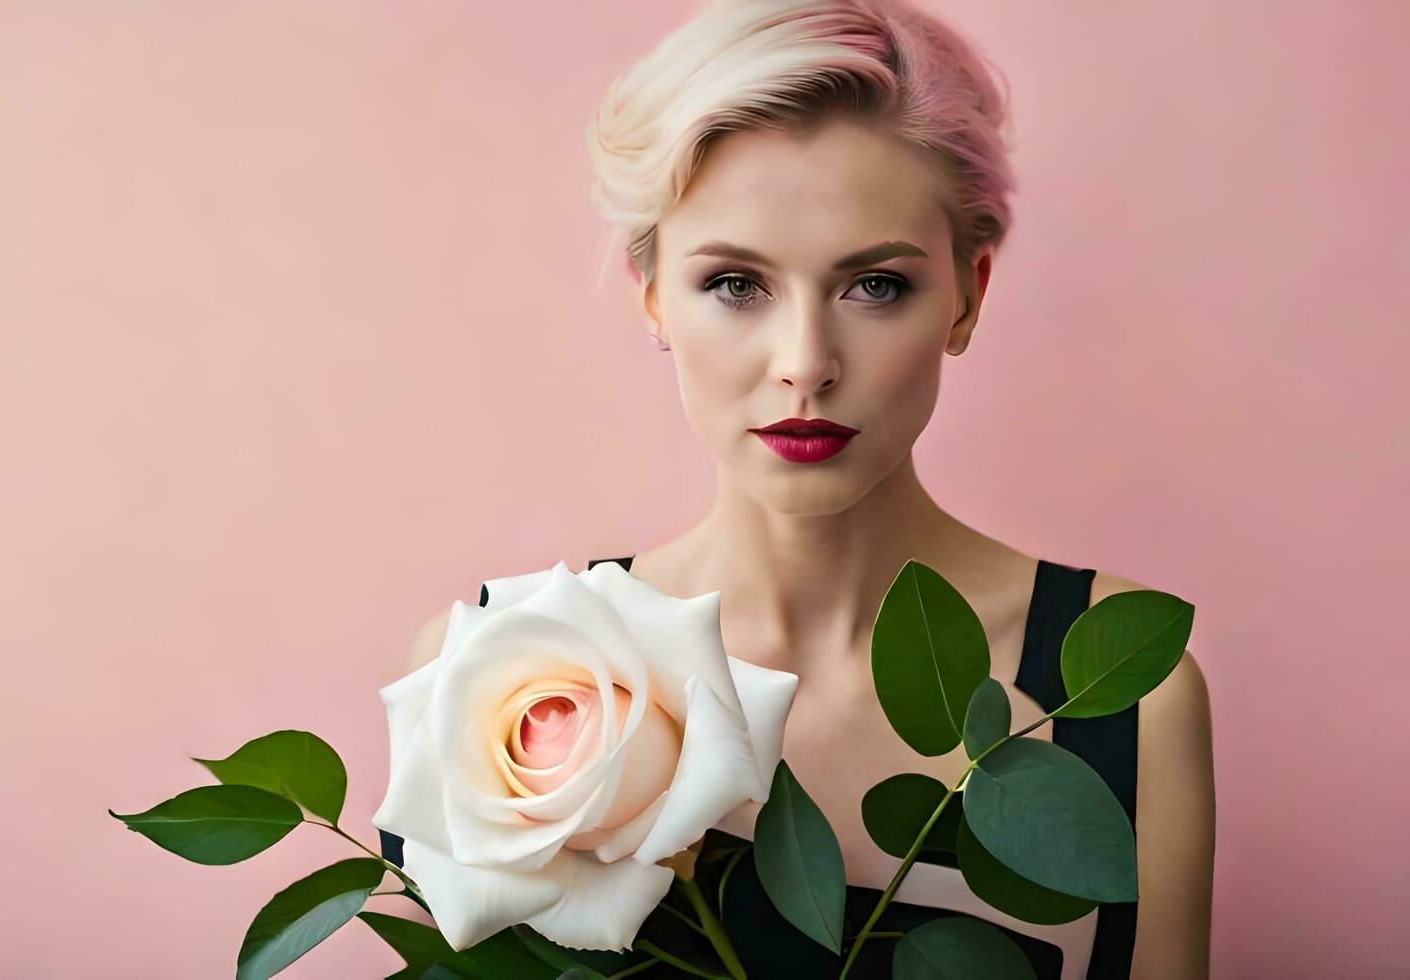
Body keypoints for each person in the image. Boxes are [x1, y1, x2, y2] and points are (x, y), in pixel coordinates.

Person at [402, 1, 1214, 976]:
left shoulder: (1121, 695)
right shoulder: (487, 681)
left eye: (874, 285)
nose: (806, 364)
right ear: (654, 295)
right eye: (736, 284)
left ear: (969, 294)